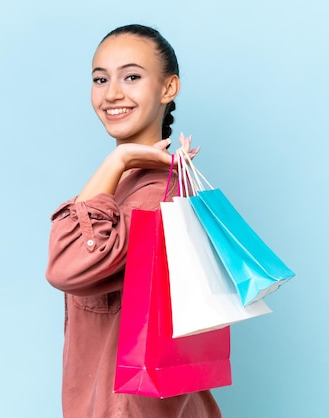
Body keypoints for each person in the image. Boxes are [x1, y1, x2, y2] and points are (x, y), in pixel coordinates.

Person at [45, 24, 222, 417]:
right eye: (100, 79)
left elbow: (64, 266)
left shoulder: (152, 201)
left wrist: (119, 158)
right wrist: (119, 166)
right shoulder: (129, 188)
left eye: (131, 76)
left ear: (168, 88)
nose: (112, 93)